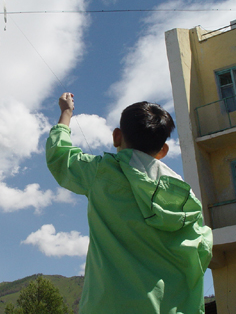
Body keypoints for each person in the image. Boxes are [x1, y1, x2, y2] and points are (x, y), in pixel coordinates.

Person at [46, 92, 213, 314]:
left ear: (117, 137)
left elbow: (59, 156)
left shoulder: (101, 172)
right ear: (163, 151)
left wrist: (66, 113)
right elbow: (202, 248)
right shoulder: (184, 197)